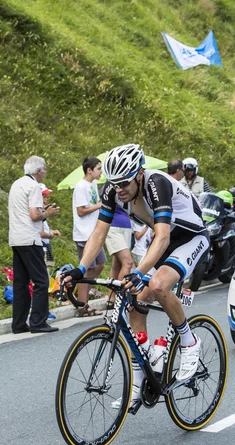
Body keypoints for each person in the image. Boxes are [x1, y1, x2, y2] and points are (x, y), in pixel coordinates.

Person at [63, 143, 209, 407]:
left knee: (158, 284)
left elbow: (163, 237)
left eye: (124, 184)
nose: (119, 190)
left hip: (190, 237)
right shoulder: (113, 189)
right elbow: (98, 233)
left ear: (139, 174)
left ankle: (189, 342)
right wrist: (80, 269)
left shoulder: (157, 183)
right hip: (162, 240)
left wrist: (139, 272)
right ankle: (140, 383)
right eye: (114, 184)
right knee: (136, 302)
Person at [8, 155, 60, 334]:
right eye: (44, 169)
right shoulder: (34, 186)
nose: (45, 173)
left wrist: (42, 211)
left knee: (20, 282)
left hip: (16, 237)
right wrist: (48, 213)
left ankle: (19, 323)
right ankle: (38, 322)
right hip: (30, 238)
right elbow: (34, 215)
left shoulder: (16, 184)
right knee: (41, 280)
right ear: (38, 171)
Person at [72, 156, 106, 317]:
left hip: (94, 232)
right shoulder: (81, 186)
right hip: (84, 233)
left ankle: (82, 290)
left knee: (100, 264)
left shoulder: (93, 184)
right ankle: (82, 305)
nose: (101, 172)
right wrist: (99, 205)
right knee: (86, 269)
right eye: (99, 169)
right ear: (89, 170)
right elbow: (80, 210)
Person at [40, 184, 61, 268]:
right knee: (43, 272)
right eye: (44, 196)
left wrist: (52, 231)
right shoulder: (38, 212)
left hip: (44, 245)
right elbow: (41, 233)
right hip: (42, 246)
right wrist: (50, 235)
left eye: (47, 196)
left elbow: (42, 228)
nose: (46, 199)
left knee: (46, 270)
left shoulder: (41, 212)